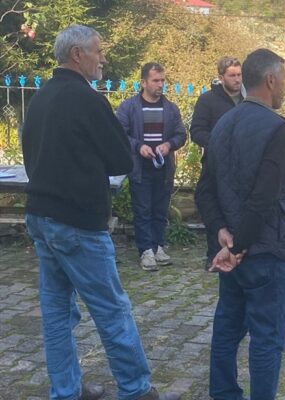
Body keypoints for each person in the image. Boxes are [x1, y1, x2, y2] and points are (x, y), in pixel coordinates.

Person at [22, 24, 179, 400]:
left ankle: (66, 389)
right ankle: (136, 390)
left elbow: (32, 156)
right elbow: (120, 158)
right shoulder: (89, 100)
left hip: (41, 216)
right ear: (78, 55)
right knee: (111, 309)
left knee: (57, 312)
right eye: (98, 51)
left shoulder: (40, 97)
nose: (103, 58)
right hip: (78, 223)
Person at [194, 48, 285, 399]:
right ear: (271, 79)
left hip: (232, 248)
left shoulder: (224, 122)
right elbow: (264, 198)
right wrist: (240, 245)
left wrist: (222, 235)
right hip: (260, 250)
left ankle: (223, 393)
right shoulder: (276, 128)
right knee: (267, 337)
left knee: (227, 328)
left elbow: (204, 191)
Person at [116, 62, 187, 271]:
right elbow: (119, 134)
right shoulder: (129, 107)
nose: (160, 85)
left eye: (163, 80)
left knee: (160, 210)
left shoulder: (171, 108)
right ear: (143, 82)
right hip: (140, 167)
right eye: (156, 80)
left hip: (163, 168)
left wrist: (169, 144)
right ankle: (145, 250)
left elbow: (181, 134)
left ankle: (158, 247)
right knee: (142, 210)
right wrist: (138, 146)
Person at [191, 56, 243, 270]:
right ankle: (213, 253)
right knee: (215, 206)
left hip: (241, 164)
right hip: (215, 163)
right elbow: (197, 131)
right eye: (232, 75)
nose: (237, 80)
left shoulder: (248, 100)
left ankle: (237, 249)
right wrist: (218, 145)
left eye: (239, 75)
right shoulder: (207, 101)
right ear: (221, 77)